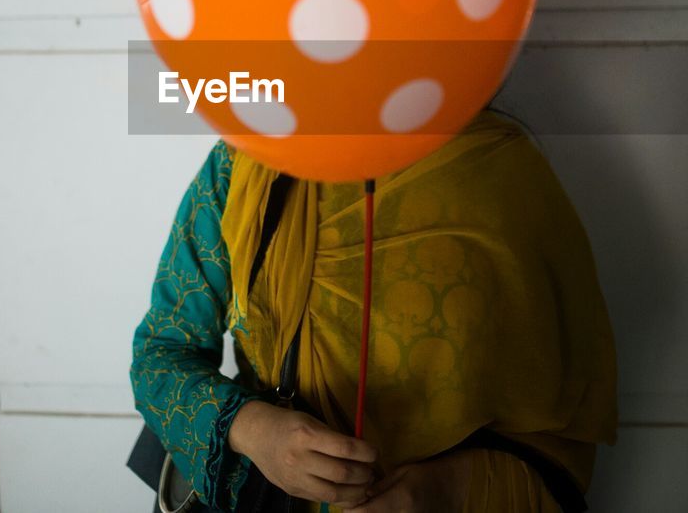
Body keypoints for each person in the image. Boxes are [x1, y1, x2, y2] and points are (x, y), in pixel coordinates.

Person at [130, 108, 617, 511]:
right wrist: (255, 431)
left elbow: (559, 440)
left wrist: (437, 490)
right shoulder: (244, 169)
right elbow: (161, 355)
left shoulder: (502, 176)